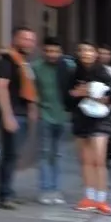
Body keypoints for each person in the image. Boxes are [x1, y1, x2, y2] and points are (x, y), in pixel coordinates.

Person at [66, 41, 111, 214]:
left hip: (100, 121)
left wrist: (89, 93)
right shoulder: (74, 73)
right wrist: (75, 94)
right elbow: (68, 98)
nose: (85, 53)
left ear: (96, 54)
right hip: (81, 119)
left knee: (99, 160)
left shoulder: (103, 73)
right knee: (86, 160)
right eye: (82, 50)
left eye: (89, 50)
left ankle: (101, 200)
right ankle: (88, 197)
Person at [0, 27, 38, 209]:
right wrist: (7, 115)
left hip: (23, 113)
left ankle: (9, 191)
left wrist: (32, 108)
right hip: (13, 114)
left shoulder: (24, 63)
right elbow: (0, 87)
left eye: (31, 40)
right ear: (15, 39)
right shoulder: (7, 60)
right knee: (10, 155)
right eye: (24, 39)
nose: (28, 43)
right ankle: (4, 195)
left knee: (14, 154)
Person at [33, 36, 73, 206]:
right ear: (43, 51)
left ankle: (55, 190)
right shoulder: (35, 67)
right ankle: (45, 189)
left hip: (63, 115)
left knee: (57, 154)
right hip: (44, 114)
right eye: (48, 51)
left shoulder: (69, 67)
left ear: (61, 52)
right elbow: (31, 90)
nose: (52, 54)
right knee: (45, 153)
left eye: (55, 51)